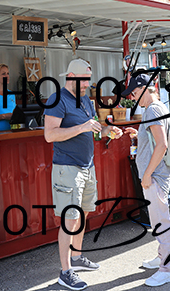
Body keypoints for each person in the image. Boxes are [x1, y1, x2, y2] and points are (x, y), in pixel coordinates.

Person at [44, 58, 123, 291]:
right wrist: (82, 127)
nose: (87, 85)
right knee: (69, 219)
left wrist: (108, 131)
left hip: (87, 167)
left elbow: (95, 130)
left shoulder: (86, 100)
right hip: (67, 167)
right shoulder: (57, 99)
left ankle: (77, 257)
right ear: (71, 77)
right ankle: (65, 272)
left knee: (83, 214)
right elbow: (50, 135)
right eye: (84, 80)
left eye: (88, 80)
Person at [122, 73, 170, 287]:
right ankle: (162, 257)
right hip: (158, 174)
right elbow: (157, 139)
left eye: (135, 92)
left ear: (145, 89)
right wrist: (139, 135)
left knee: (161, 222)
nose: (133, 97)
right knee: (158, 220)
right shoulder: (158, 107)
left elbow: (162, 145)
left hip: (155, 176)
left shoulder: (152, 110)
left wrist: (147, 174)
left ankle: (167, 268)